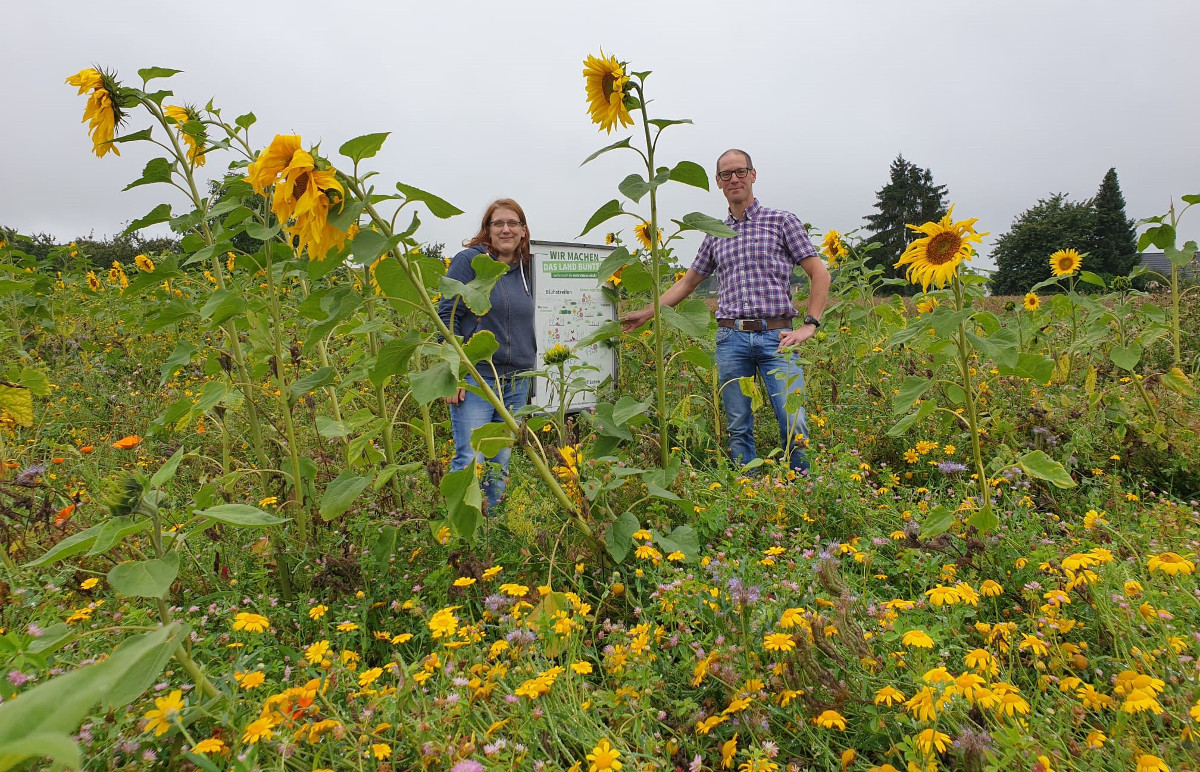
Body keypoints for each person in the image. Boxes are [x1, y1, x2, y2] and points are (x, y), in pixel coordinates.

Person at [621, 149, 830, 474]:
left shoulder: (781, 221)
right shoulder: (716, 233)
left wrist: (810, 325)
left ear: (753, 175)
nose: (734, 179)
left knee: (794, 420)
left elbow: (820, 273)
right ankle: (749, 496)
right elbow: (688, 282)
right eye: (726, 174)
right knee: (737, 425)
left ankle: (801, 492)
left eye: (740, 172)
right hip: (731, 338)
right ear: (718, 182)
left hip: (779, 336)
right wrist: (648, 312)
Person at [438, 198, 536, 510]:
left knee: (499, 464)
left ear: (523, 230)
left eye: (513, 223)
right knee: (471, 460)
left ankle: (489, 532)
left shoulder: (529, 270)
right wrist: (451, 374)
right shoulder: (469, 262)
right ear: (488, 230)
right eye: (498, 223)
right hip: (477, 378)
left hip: (516, 382)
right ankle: (460, 537)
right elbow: (447, 316)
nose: (506, 229)